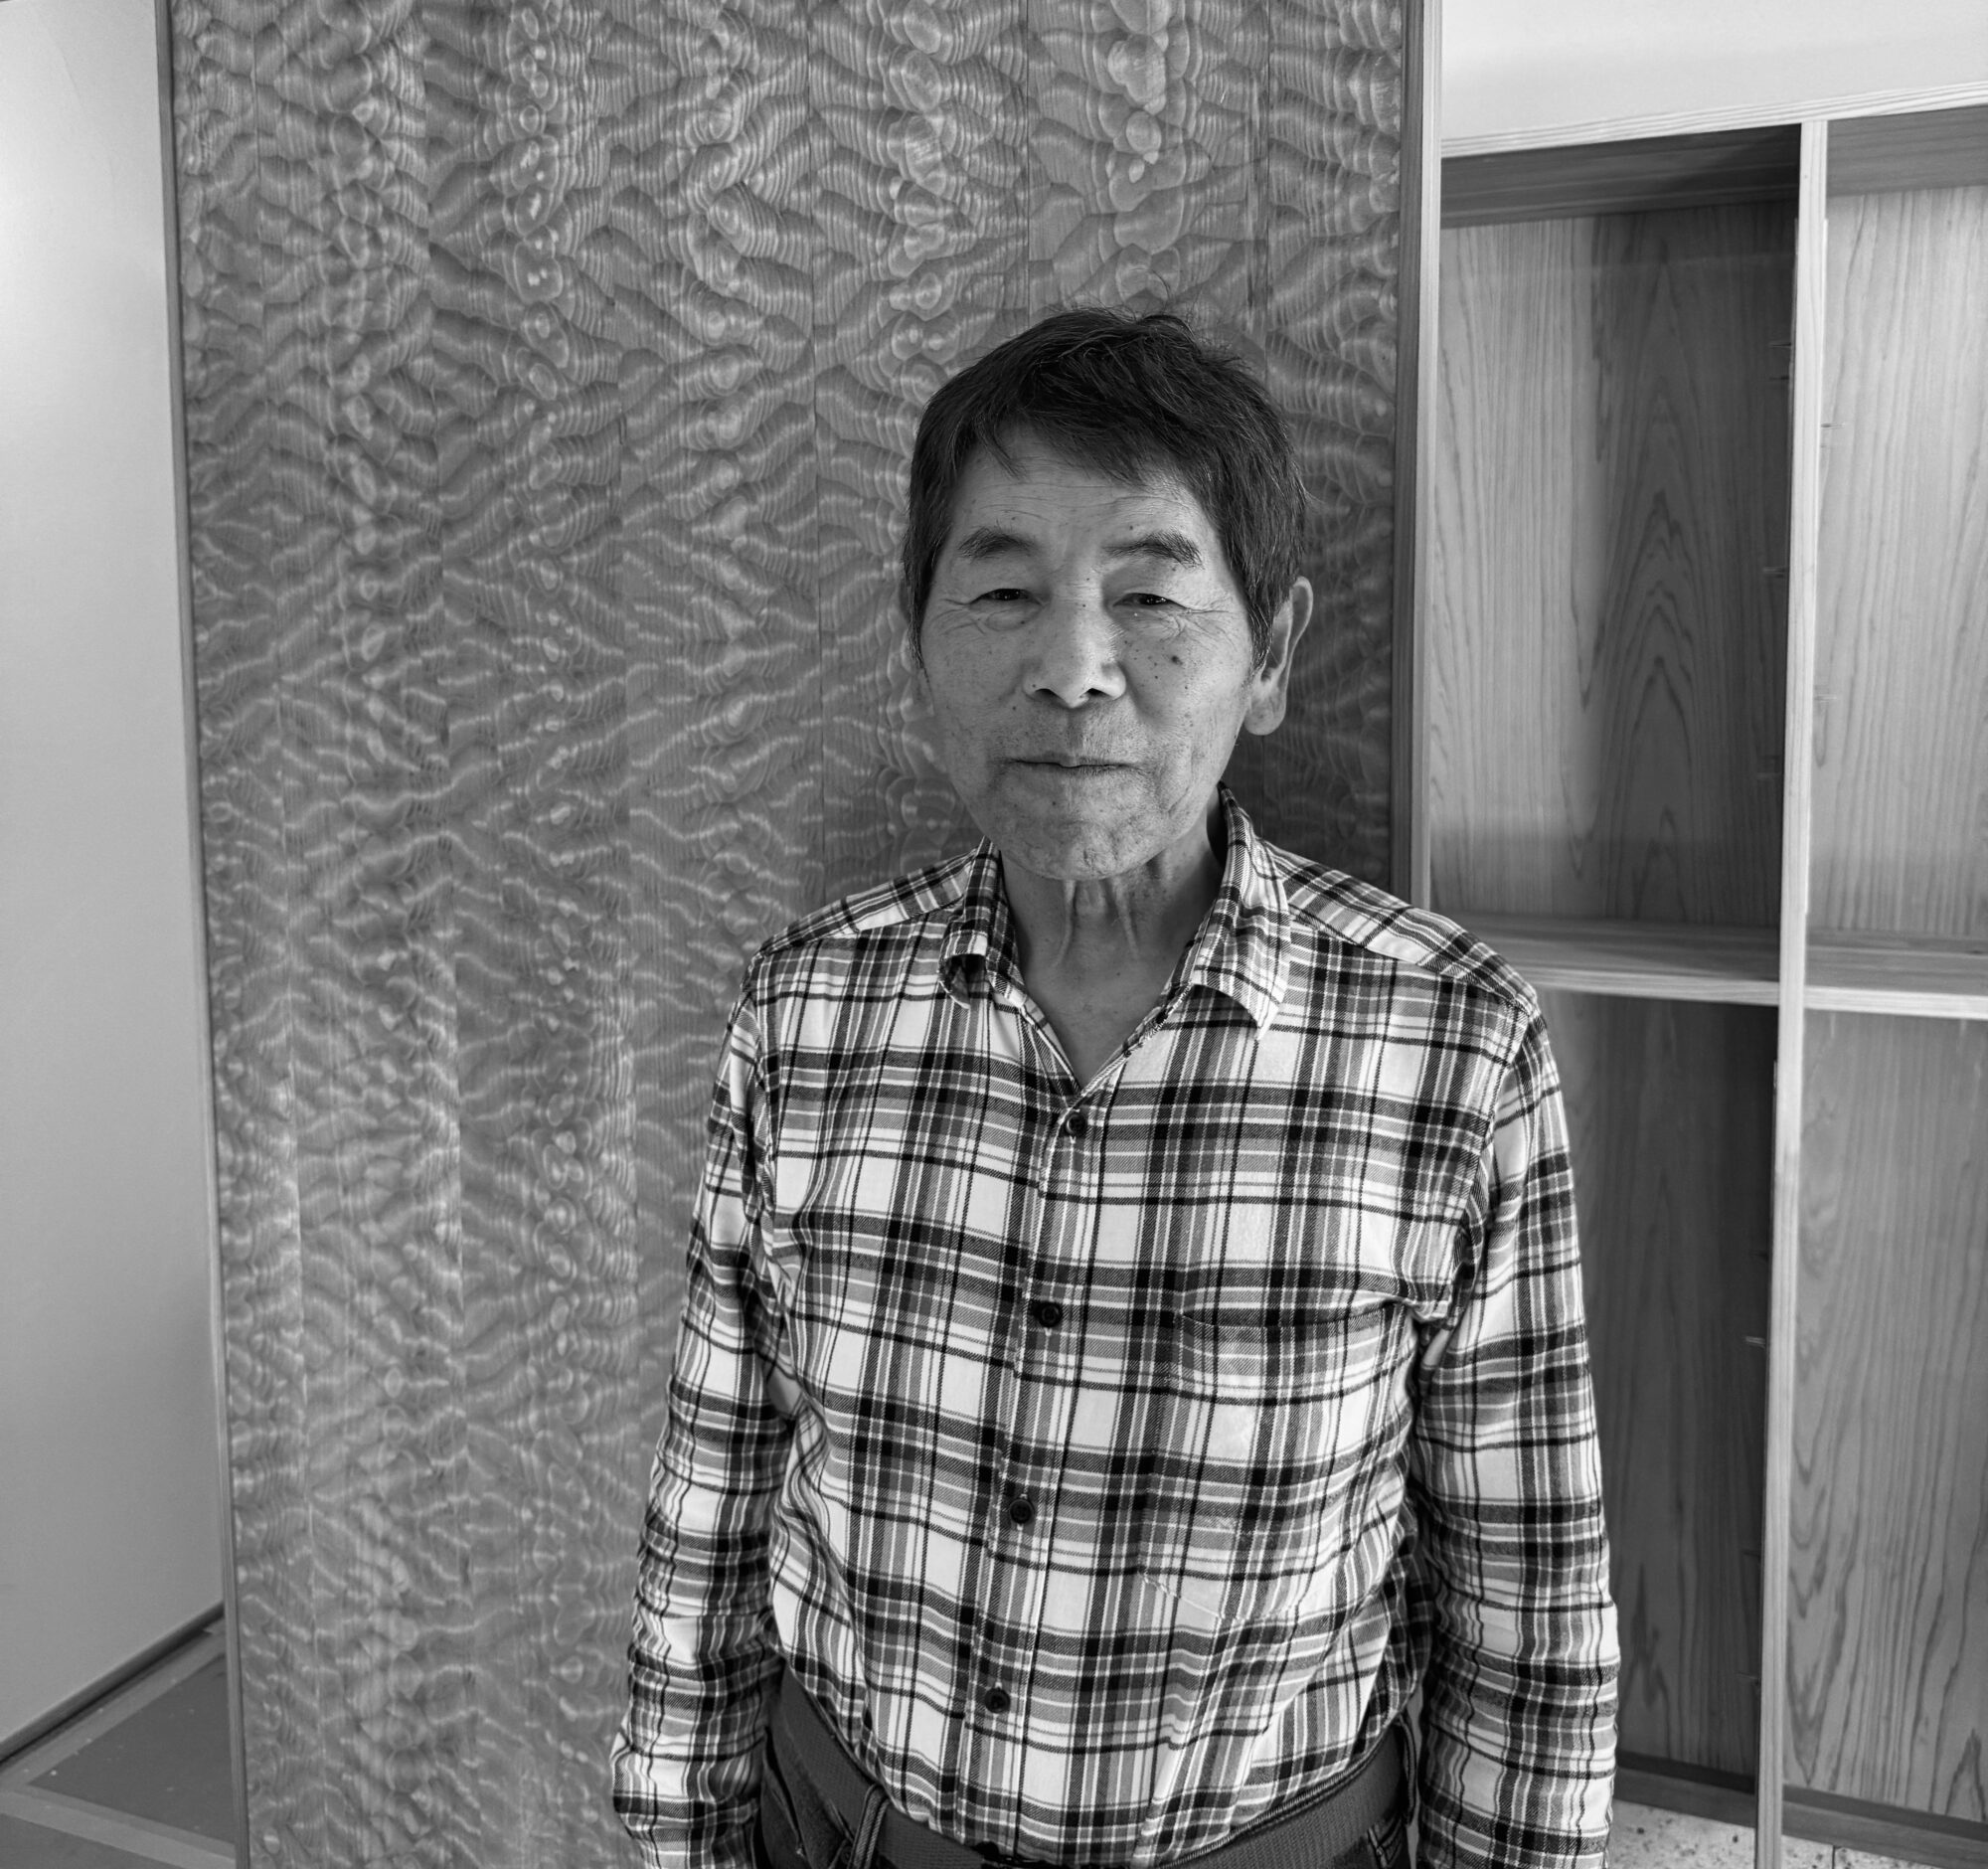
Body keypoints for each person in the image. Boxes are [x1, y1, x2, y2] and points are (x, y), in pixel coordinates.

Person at [612, 307, 1618, 1869]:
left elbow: (1530, 1613)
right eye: (1003, 590)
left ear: (1269, 656)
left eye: (1149, 595)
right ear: (921, 641)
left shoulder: (1455, 1051)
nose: (1074, 668)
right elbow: (714, 1497)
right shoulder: (804, 1007)